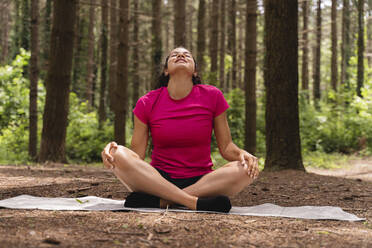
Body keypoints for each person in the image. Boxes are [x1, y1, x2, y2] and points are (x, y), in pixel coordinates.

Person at [101, 47, 259, 213]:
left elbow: (226, 147)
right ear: (166, 70)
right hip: (157, 179)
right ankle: (192, 202)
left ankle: (163, 201)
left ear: (195, 71)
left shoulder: (213, 96)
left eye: (187, 55)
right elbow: (137, 155)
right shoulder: (147, 102)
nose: (181, 55)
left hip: (202, 181)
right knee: (118, 153)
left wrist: (242, 153)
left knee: (246, 168)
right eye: (174, 55)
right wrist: (113, 152)